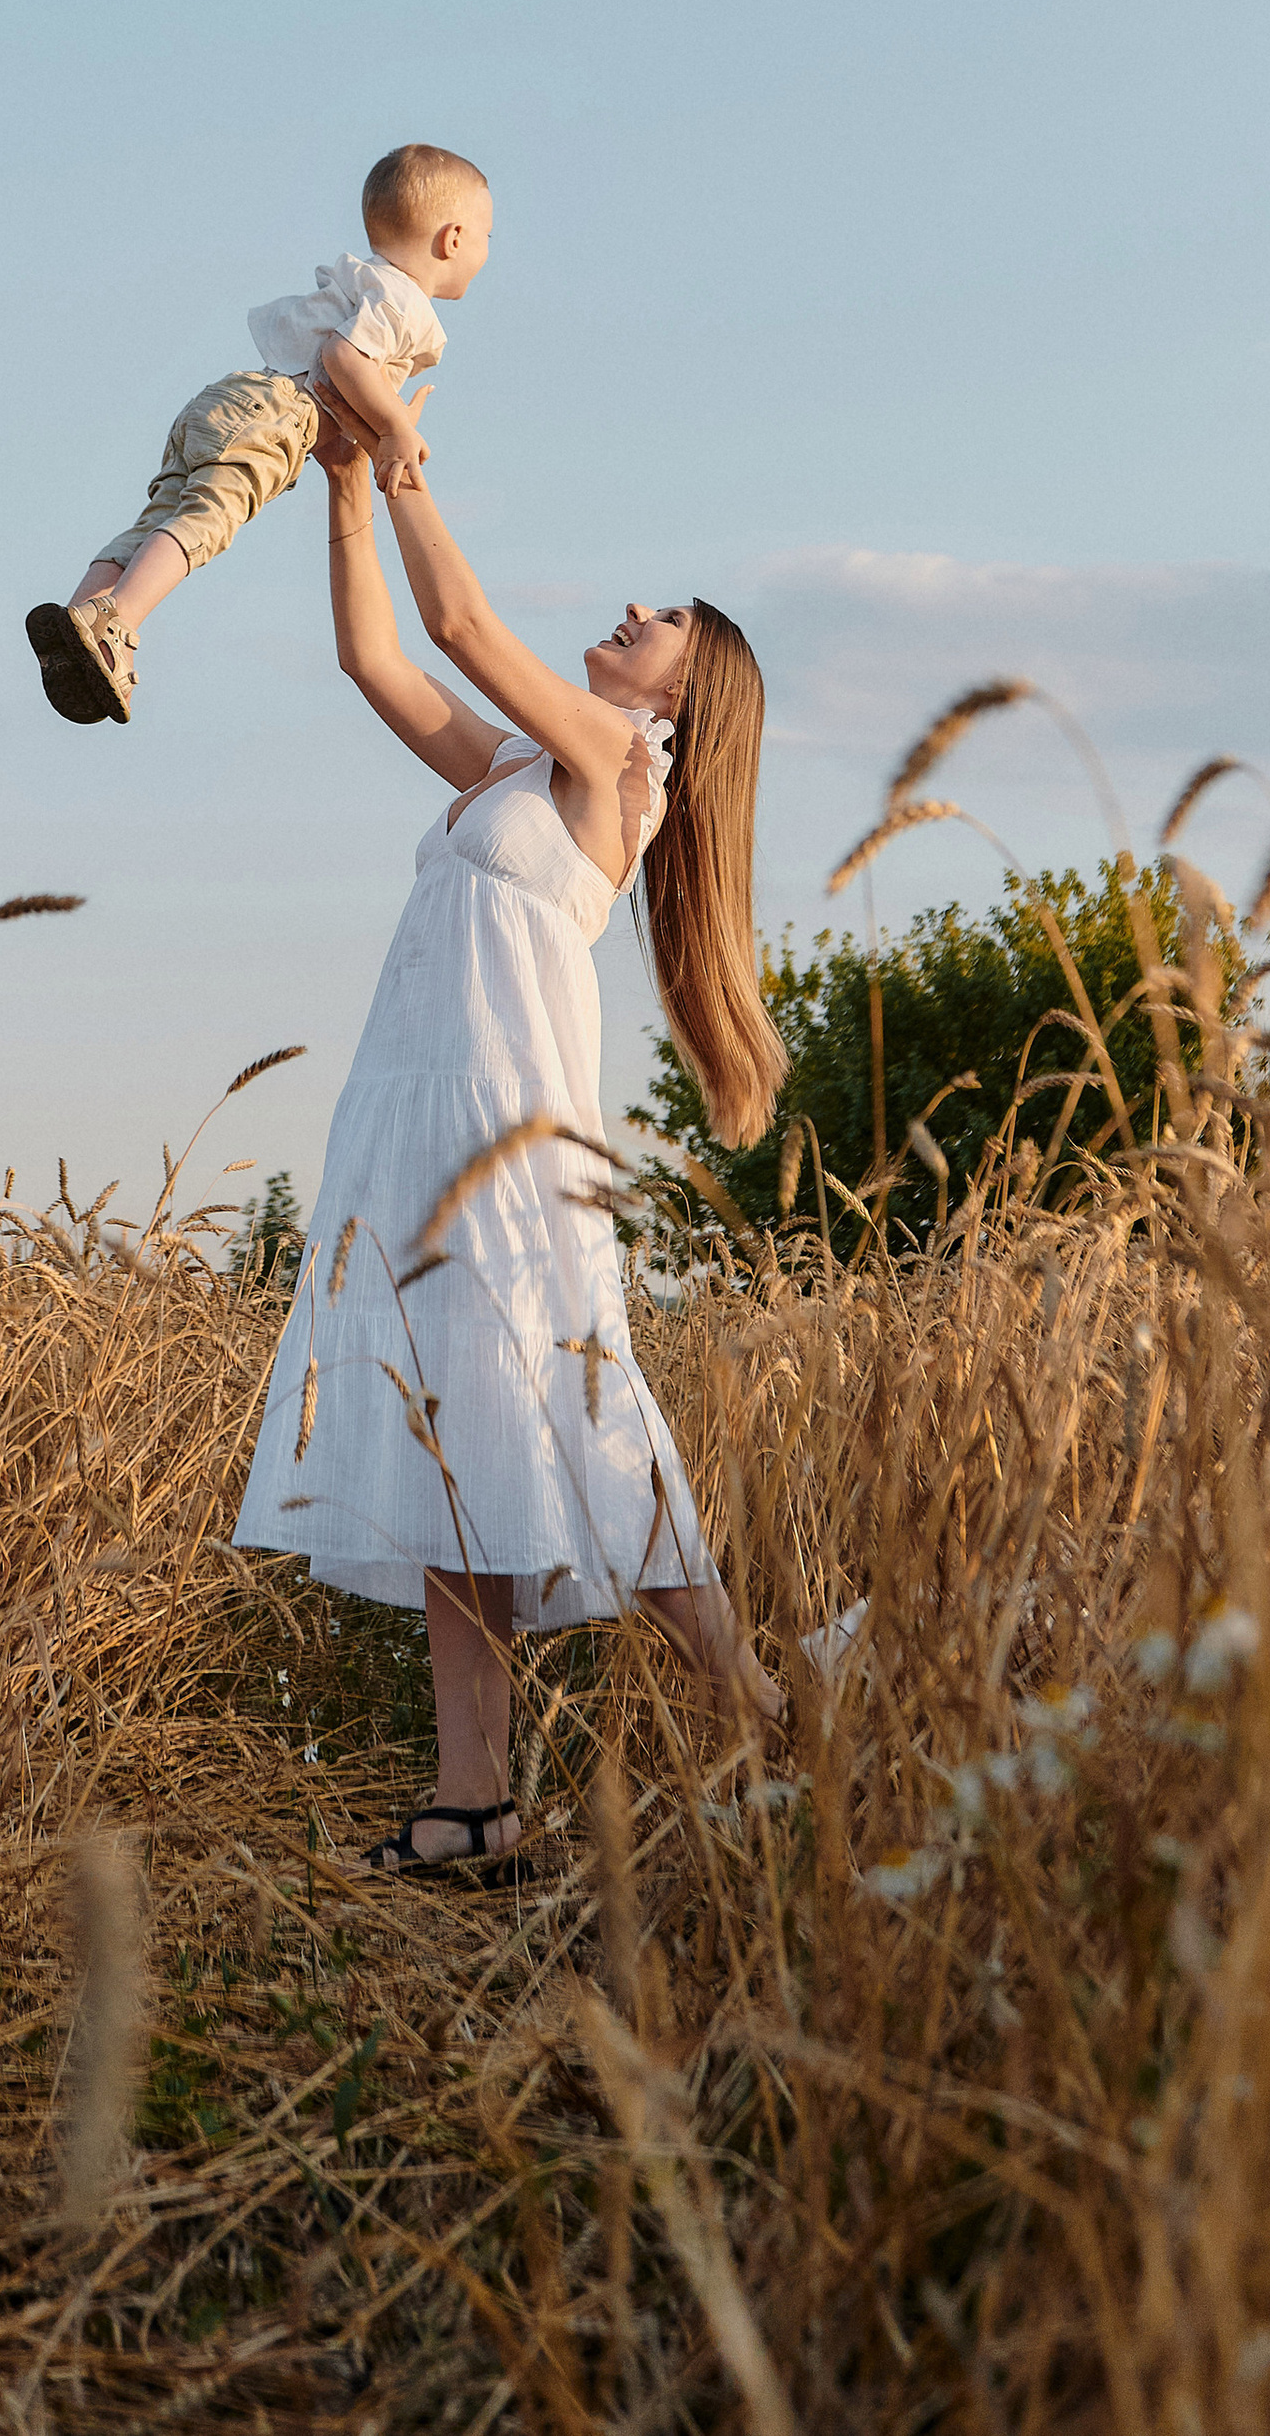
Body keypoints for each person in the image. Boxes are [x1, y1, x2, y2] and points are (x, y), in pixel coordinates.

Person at [228, 388, 787, 1881]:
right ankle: (474, 1804)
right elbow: (377, 659)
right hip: (416, 1104)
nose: (628, 611)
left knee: (574, 1412)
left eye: (657, 617)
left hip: (504, 1118)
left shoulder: (618, 770)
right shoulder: (515, 773)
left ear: (677, 696)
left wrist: (407, 463)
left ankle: (770, 1715)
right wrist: (346, 482)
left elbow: (465, 623)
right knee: (456, 1440)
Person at [24, 143, 492, 727]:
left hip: (228, 400)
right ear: (453, 238)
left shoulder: (366, 281)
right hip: (274, 414)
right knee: (207, 519)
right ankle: (116, 625)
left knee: (156, 524)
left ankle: (79, 622)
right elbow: (343, 357)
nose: (486, 251)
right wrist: (396, 426)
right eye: (487, 236)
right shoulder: (407, 303)